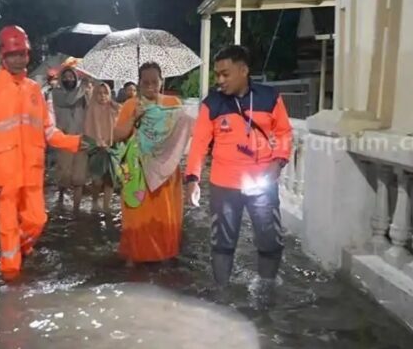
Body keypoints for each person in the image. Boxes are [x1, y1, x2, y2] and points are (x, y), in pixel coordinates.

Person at [0, 25, 93, 281]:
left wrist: (74, 142)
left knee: (37, 221)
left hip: (31, 173)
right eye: (13, 54)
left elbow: (48, 131)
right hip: (4, 177)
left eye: (22, 54)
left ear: (28, 55)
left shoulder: (35, 92)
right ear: (2, 56)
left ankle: (21, 253)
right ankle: (10, 282)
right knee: (7, 232)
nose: (18, 59)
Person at [184, 45, 293, 287]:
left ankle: (266, 288)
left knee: (270, 240)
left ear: (243, 70)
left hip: (262, 184)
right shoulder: (211, 103)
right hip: (224, 185)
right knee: (222, 243)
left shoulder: (270, 97)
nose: (219, 80)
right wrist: (192, 179)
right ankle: (222, 293)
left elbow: (284, 132)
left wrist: (278, 162)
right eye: (217, 75)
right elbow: (199, 143)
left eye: (225, 74)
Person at [112, 62, 184, 266]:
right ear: (139, 83)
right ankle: (135, 255)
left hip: (166, 172)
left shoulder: (173, 103)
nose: (151, 87)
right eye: (146, 83)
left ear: (162, 82)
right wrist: (135, 118)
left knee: (164, 215)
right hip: (137, 172)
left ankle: (165, 255)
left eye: (155, 82)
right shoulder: (131, 105)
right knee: (137, 215)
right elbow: (116, 136)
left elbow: (182, 134)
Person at [52, 67, 90, 212]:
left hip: (81, 139)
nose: (69, 79)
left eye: (72, 77)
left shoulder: (83, 93)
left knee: (79, 178)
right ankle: (60, 200)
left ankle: (76, 209)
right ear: (61, 79)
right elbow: (70, 100)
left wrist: (87, 91)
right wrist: (82, 87)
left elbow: (91, 108)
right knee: (64, 175)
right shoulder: (57, 93)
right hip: (64, 139)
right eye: (66, 77)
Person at [84, 82, 120, 213]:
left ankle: (106, 206)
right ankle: (94, 201)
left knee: (110, 179)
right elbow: (88, 131)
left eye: (105, 93)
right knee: (97, 180)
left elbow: (122, 123)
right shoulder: (91, 109)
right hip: (95, 148)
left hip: (112, 147)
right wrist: (98, 143)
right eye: (99, 93)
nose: (102, 96)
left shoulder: (113, 108)